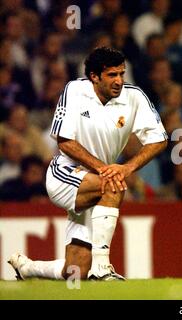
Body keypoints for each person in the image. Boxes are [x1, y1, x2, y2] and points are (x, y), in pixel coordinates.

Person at [7, 47, 168, 281]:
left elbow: (160, 139)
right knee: (113, 185)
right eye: (112, 75)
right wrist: (103, 168)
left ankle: (27, 268)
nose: (119, 81)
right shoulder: (74, 91)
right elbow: (64, 141)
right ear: (94, 76)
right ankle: (102, 269)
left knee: (76, 271)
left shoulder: (134, 97)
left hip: (94, 182)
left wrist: (126, 167)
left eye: (122, 74)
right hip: (64, 174)